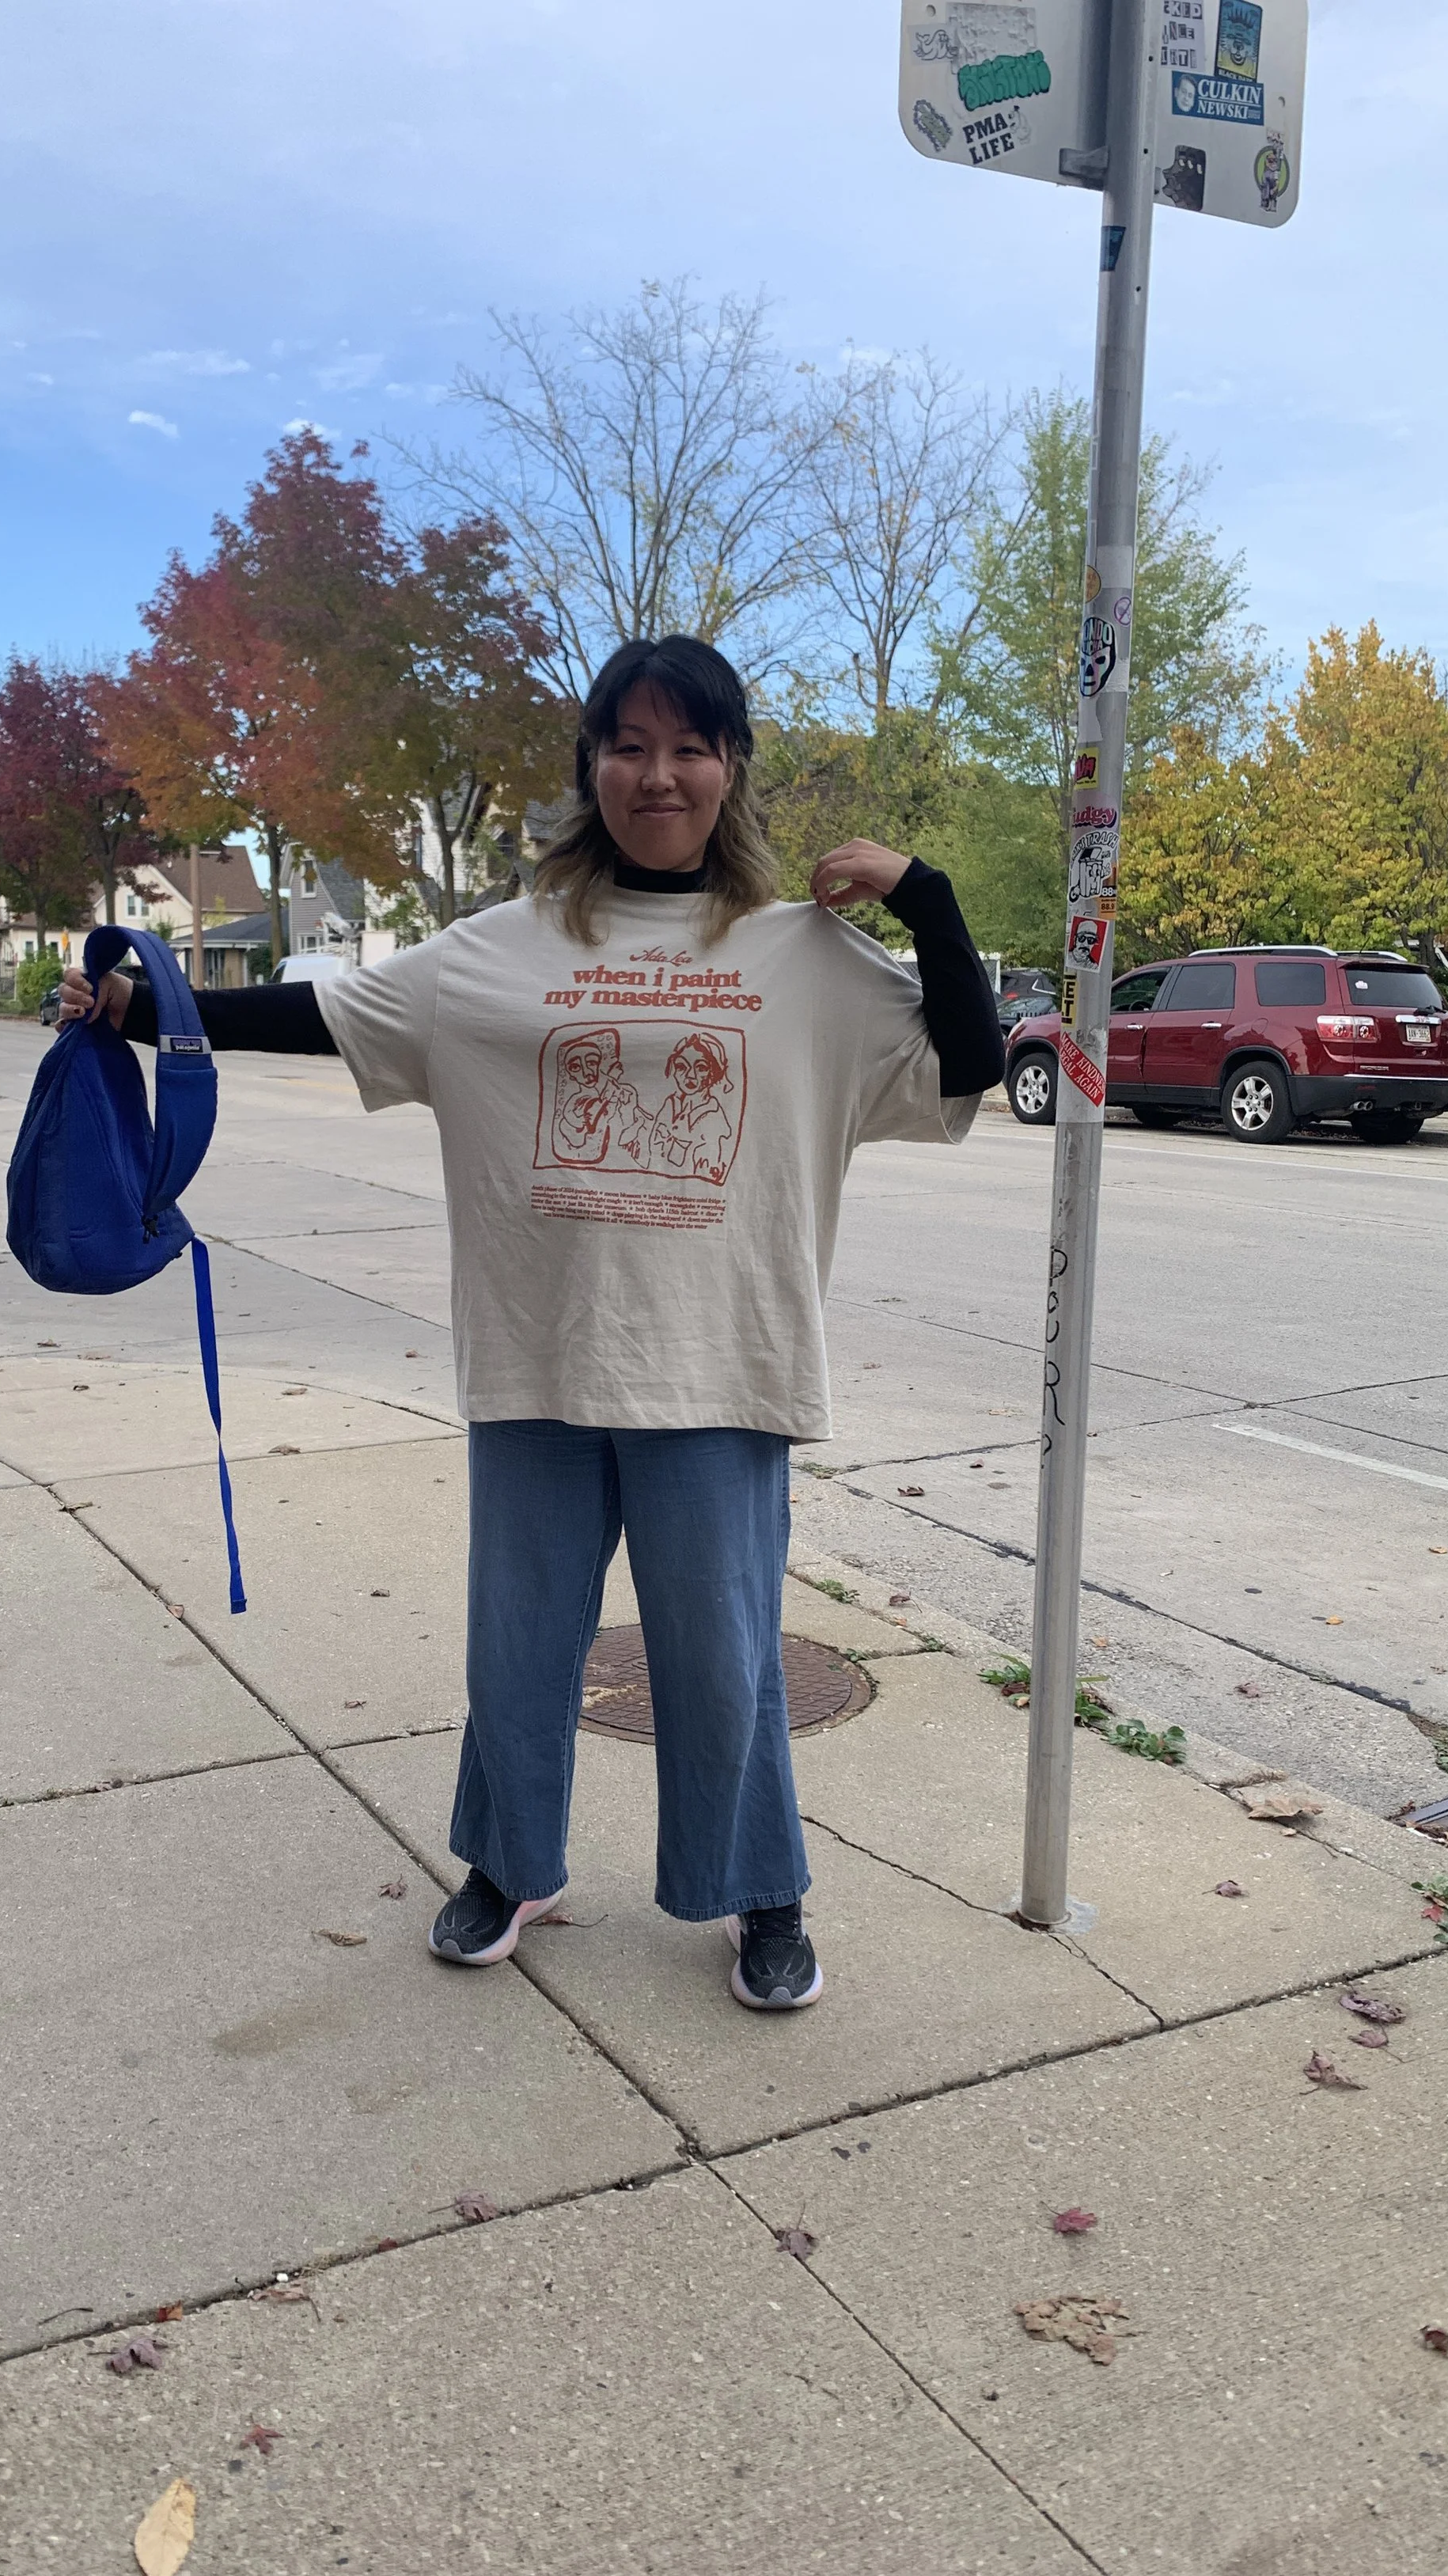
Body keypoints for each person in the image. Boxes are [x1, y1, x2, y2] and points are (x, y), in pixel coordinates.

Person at [63, 635, 1004, 2013]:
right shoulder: (499, 952)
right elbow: (319, 1012)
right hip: (539, 1359)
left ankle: (763, 1893)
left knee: (723, 1657)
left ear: (730, 766)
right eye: (627, 745)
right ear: (591, 769)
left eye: (689, 745)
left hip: (721, 1367)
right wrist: (146, 1011)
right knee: (518, 1640)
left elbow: (970, 1061)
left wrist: (928, 897)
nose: (658, 773)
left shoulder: (803, 954)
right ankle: (511, 1863)